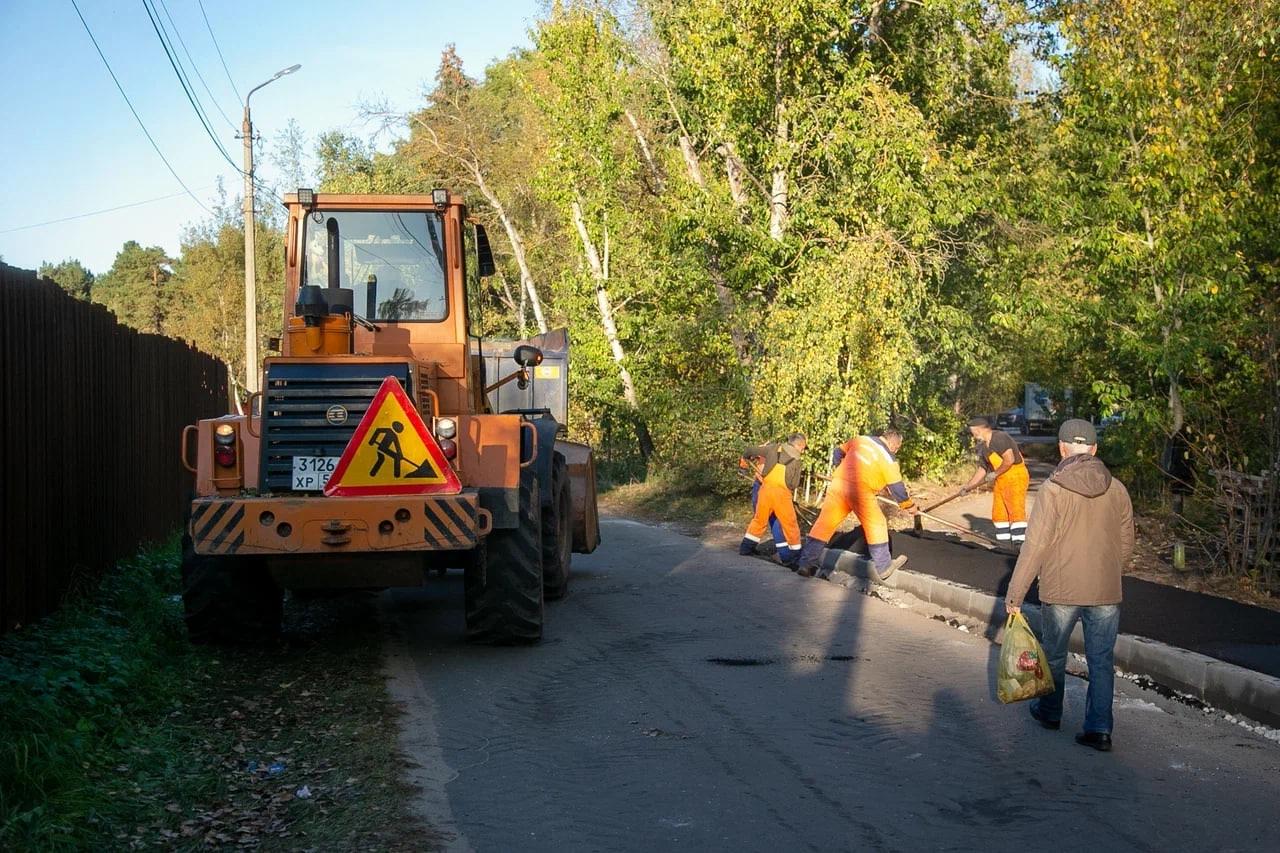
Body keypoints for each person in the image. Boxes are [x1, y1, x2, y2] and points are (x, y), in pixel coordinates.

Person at [1005, 419, 1133, 752]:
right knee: (1102, 660)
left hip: (1061, 589)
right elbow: (1127, 542)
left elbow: (1035, 545)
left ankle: (1050, 712)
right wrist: (1110, 570)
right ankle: (1100, 729)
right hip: (1105, 590)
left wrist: (1015, 593)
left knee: (1055, 655)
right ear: (1094, 449)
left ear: (1062, 448)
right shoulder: (1117, 488)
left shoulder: (1053, 489)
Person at [797, 429, 917, 581]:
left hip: (838, 486)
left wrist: (840, 468)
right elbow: (897, 487)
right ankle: (884, 567)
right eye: (898, 447)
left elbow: (837, 452)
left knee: (824, 524)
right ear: (894, 444)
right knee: (877, 524)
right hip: (860, 492)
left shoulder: (860, 440)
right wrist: (908, 505)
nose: (897, 450)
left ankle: (806, 563)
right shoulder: (888, 458)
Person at [739, 433, 808, 567]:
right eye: (803, 447)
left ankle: (745, 548)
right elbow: (794, 484)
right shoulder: (797, 460)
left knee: (759, 520)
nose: (803, 451)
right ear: (799, 445)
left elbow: (749, 451)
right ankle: (794, 560)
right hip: (782, 496)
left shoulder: (773, 448)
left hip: (764, 491)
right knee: (790, 526)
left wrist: (743, 465)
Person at [959, 416, 1030, 545]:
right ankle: (1003, 543)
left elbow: (1009, 460)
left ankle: (1019, 543)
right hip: (1001, 479)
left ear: (978, 430)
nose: (972, 435)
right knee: (999, 512)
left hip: (1015, 476)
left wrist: (995, 473)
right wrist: (968, 487)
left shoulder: (1000, 437)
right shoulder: (984, 447)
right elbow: (982, 469)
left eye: (972, 432)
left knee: (1015, 508)